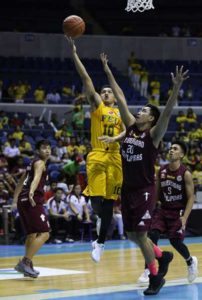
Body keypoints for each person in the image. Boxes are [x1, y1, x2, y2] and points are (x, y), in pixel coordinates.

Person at [101, 55, 189, 296]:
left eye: (144, 111)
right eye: (139, 109)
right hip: (128, 189)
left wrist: (176, 88)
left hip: (144, 190)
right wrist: (108, 71)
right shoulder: (129, 125)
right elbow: (120, 97)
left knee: (141, 235)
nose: (138, 112)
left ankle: (154, 277)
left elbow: (168, 112)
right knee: (131, 235)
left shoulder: (153, 135)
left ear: (151, 118)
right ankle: (163, 256)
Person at [67, 38, 126, 263]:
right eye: (104, 91)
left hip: (115, 156)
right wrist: (75, 55)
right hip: (98, 154)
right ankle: (100, 222)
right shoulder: (97, 107)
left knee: (109, 201)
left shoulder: (121, 112)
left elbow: (126, 133)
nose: (107, 93)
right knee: (97, 199)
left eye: (109, 91)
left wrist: (116, 137)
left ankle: (100, 243)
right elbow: (86, 79)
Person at [137, 141, 198, 285]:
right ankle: (148, 270)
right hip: (163, 210)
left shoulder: (186, 173)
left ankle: (190, 261)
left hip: (178, 212)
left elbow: (191, 198)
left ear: (181, 155)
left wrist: (185, 218)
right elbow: (156, 193)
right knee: (151, 236)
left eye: (175, 149)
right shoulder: (162, 170)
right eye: (170, 148)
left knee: (175, 241)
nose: (171, 150)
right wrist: (148, 210)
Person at [11, 140, 51, 278]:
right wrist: (32, 192)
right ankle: (25, 262)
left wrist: (15, 200)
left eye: (49, 148)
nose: (47, 150)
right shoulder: (40, 163)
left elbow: (21, 181)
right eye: (44, 148)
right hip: (31, 200)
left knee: (32, 234)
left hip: (23, 200)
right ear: (38, 151)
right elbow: (36, 179)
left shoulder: (30, 164)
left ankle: (27, 265)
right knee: (45, 233)